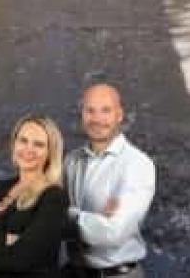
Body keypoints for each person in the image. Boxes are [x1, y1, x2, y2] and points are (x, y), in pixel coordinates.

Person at [0, 115, 71, 277]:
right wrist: (5, 239)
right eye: (23, 140)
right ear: (14, 143)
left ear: (50, 153)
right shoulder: (0, 188)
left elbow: (25, 258)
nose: (28, 149)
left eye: (38, 144)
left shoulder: (54, 197)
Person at [62, 82, 155, 278]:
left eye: (106, 110)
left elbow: (113, 232)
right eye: (90, 111)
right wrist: (96, 219)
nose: (97, 119)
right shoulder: (71, 161)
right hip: (73, 272)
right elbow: (47, 213)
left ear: (119, 115)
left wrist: (66, 215)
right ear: (82, 115)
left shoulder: (136, 164)